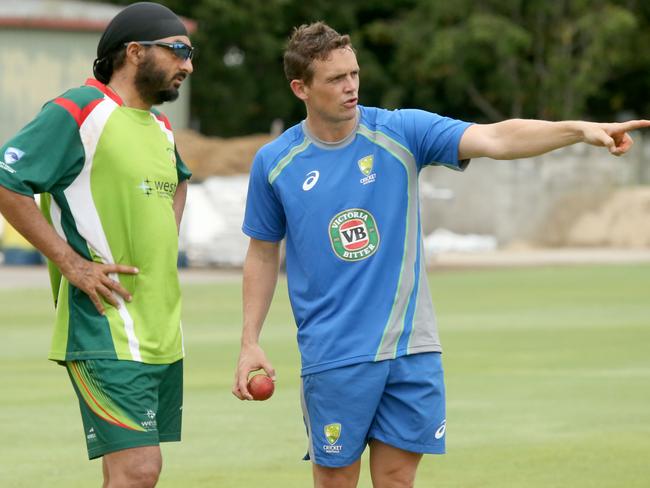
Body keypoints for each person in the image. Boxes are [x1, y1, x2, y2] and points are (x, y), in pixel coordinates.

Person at [231, 21, 649, 488]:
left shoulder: (400, 130)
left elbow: (496, 138)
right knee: (335, 482)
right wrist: (250, 341)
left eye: (354, 74)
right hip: (335, 354)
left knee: (397, 481)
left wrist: (578, 131)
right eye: (335, 79)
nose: (350, 87)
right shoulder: (276, 162)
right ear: (300, 88)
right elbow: (263, 254)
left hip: (413, 348)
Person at [0, 3, 193, 487]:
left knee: (126, 474)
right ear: (134, 52)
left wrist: (161, 244)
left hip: (162, 328)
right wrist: (72, 265)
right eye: (178, 51)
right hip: (103, 328)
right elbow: (8, 181)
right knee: (140, 471)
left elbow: (182, 181)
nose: (188, 65)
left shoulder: (162, 129)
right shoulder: (79, 109)